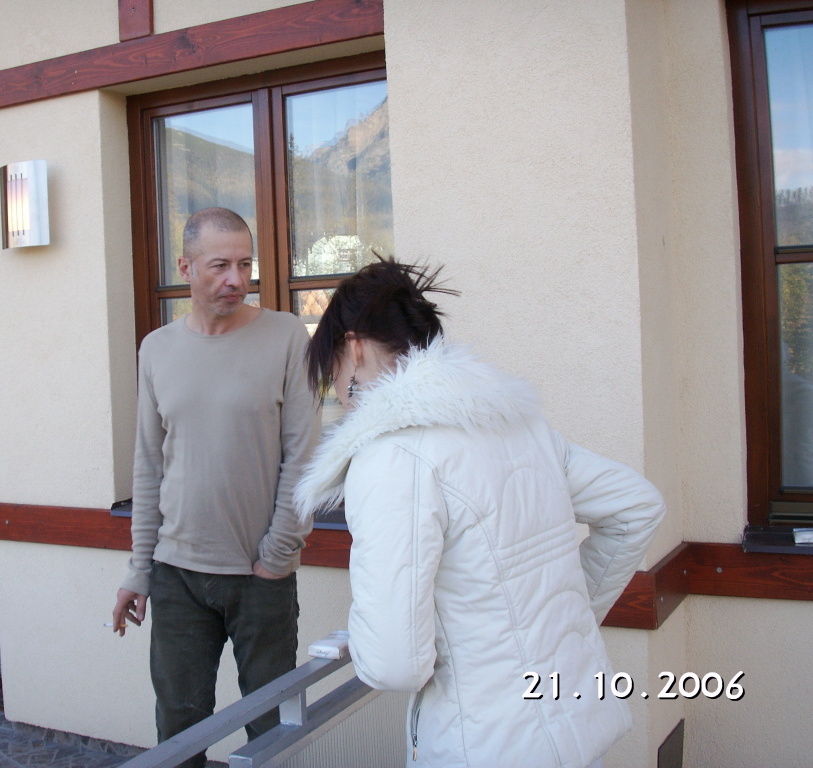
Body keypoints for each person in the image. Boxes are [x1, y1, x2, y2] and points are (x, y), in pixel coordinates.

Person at [295, 258, 665, 768]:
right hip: (570, 725)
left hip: (482, 743)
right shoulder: (514, 423)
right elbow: (636, 507)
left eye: (332, 365)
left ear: (354, 348)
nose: (336, 384)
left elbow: (394, 664)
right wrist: (565, 622)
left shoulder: (391, 455)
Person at [112, 208, 319, 767]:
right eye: (220, 265)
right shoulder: (157, 348)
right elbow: (148, 466)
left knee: (272, 733)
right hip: (176, 576)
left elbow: (304, 458)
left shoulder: (286, 336)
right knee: (179, 734)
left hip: (261, 577)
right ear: (185, 267)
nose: (236, 278)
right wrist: (139, 569)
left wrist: (277, 555)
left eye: (245, 265)